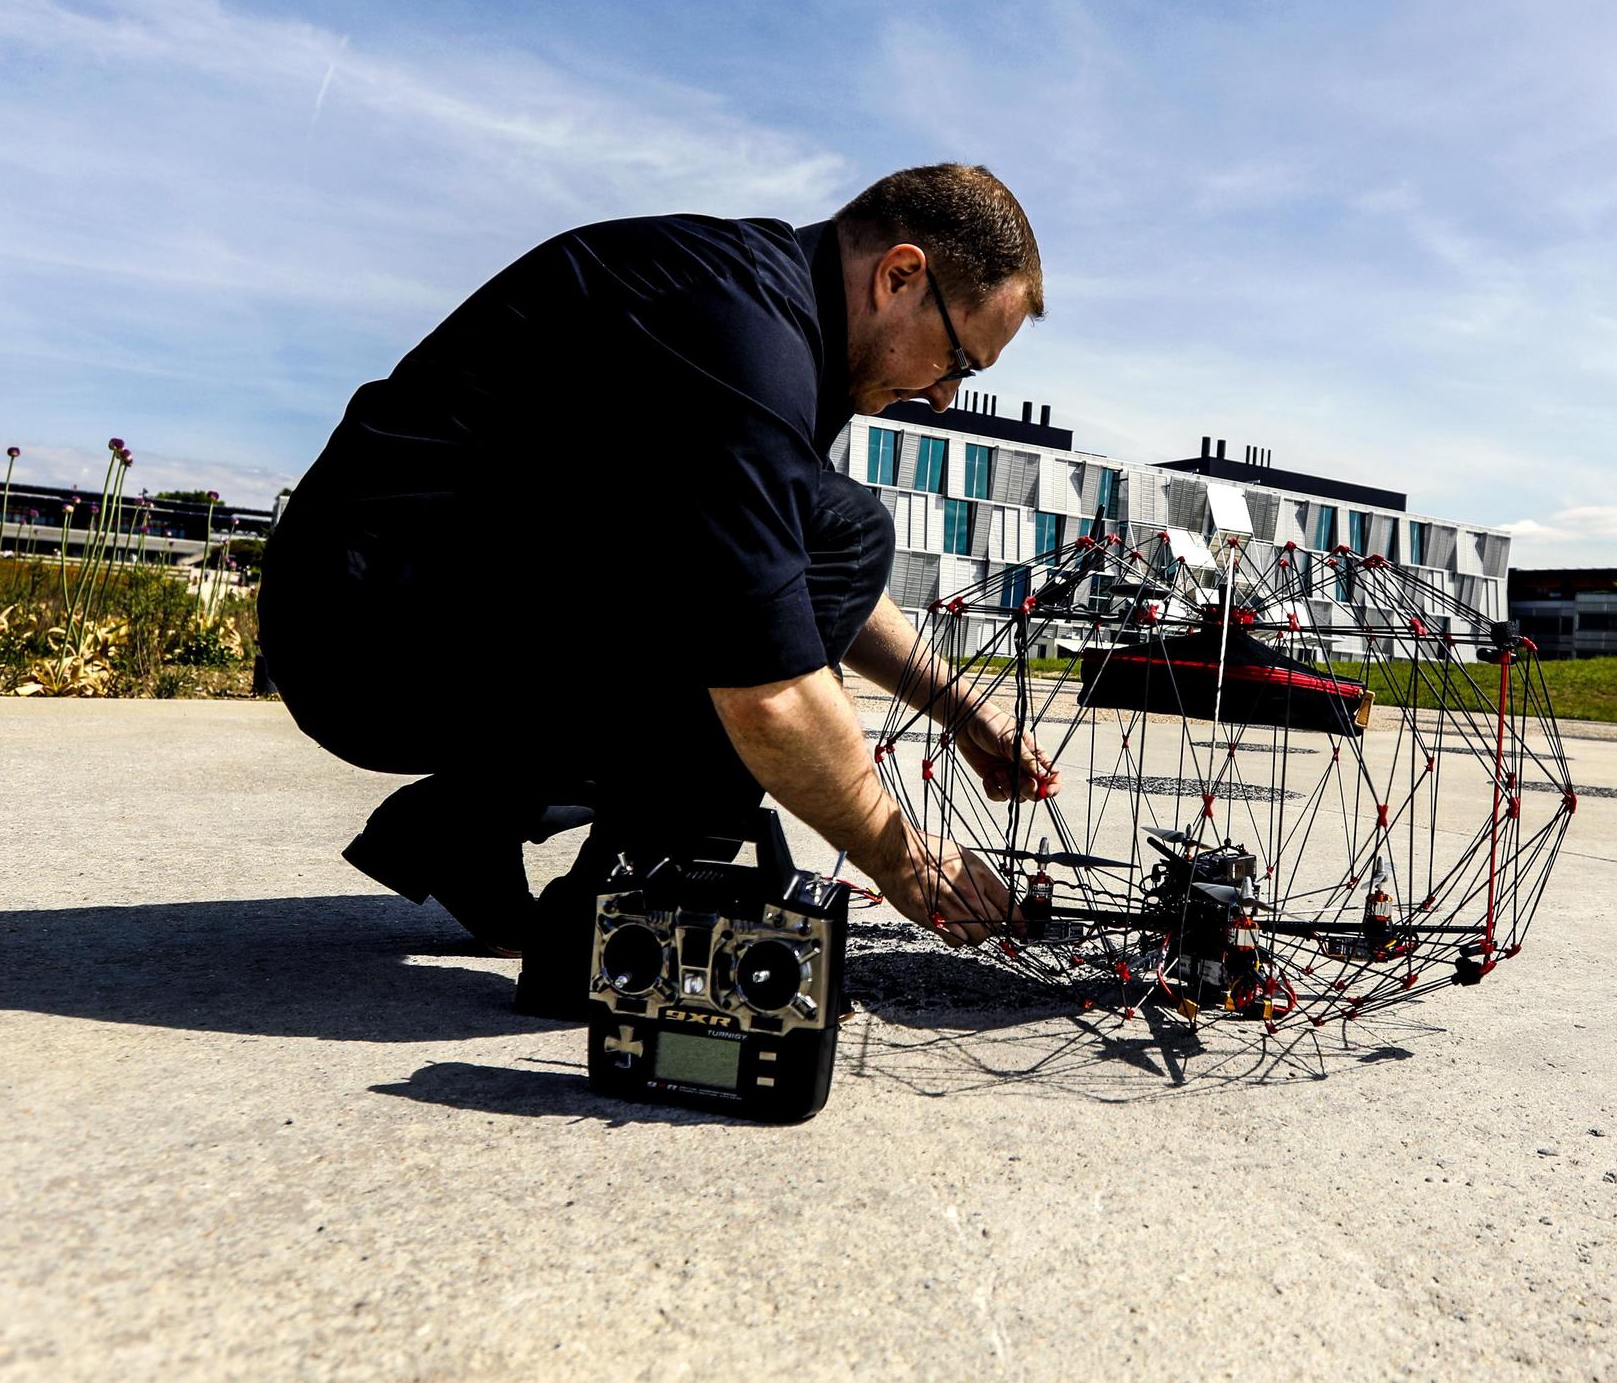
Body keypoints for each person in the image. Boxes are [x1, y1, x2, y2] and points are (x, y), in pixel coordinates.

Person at [261, 164, 1058, 993]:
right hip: (375, 617)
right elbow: (769, 684)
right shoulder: (745, 333)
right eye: (960, 358)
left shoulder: (766, 314)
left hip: (395, 606)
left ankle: (468, 827)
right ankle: (621, 910)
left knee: (829, 533)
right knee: (846, 535)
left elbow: (777, 569)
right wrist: (900, 854)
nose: (942, 395)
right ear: (899, 277)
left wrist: (960, 705)